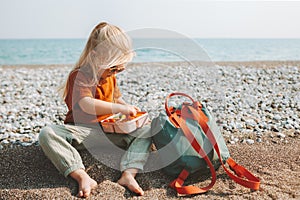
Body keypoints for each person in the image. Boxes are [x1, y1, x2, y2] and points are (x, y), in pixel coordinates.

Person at [38, 22, 152, 198]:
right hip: (84, 132)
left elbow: (117, 100)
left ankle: (129, 174)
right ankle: (81, 175)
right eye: (113, 68)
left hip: (110, 131)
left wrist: (133, 115)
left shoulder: (110, 78)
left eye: (119, 70)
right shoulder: (80, 76)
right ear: (95, 56)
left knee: (147, 130)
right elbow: (86, 103)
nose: (114, 74)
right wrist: (119, 107)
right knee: (48, 133)